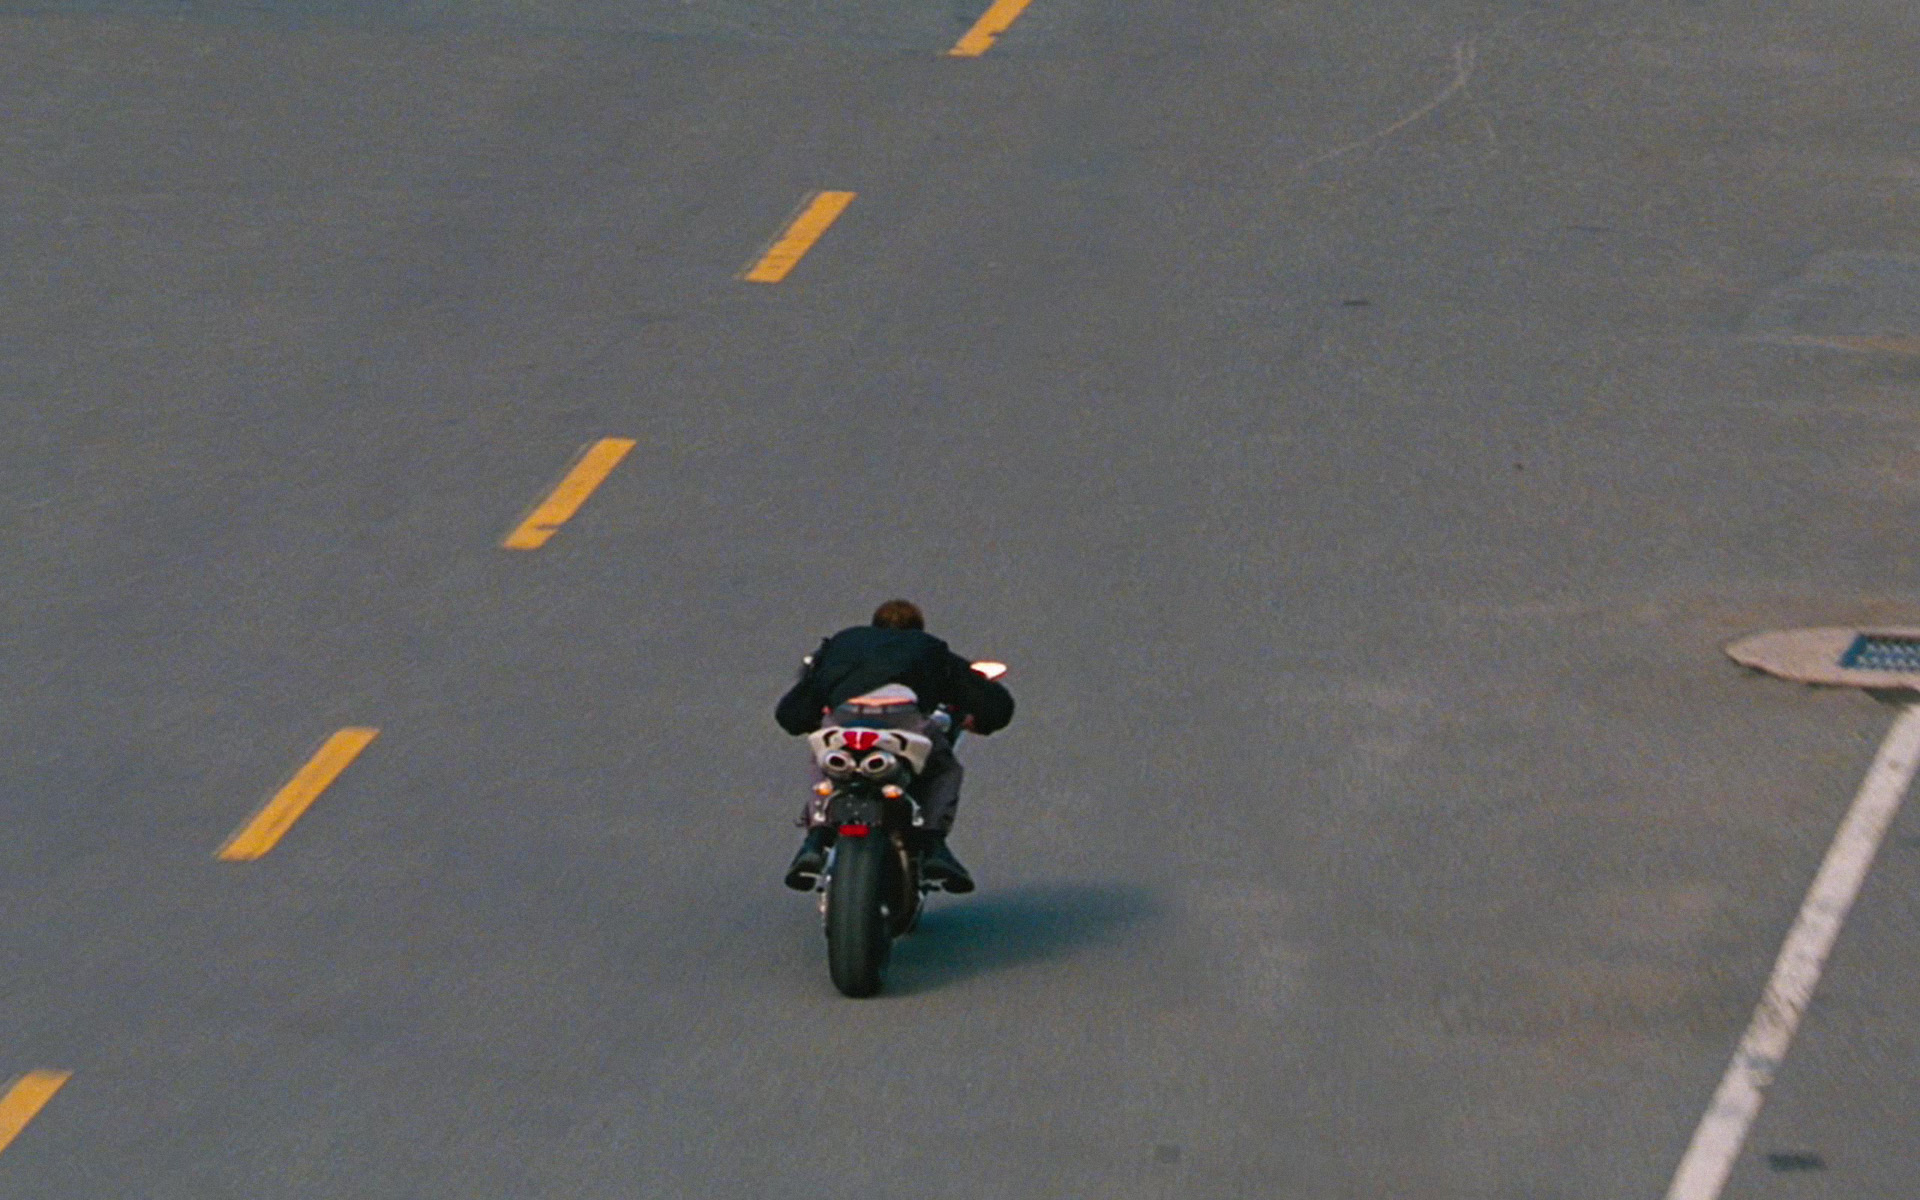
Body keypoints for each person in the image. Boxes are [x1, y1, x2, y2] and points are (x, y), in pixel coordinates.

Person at [776, 599, 1014, 894]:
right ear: (917, 630)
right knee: (944, 770)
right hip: (902, 720)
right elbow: (993, 703)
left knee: (822, 759)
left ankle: (815, 839)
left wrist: (808, 719)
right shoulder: (927, 648)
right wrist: (981, 720)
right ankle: (933, 845)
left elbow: (794, 708)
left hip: (845, 720)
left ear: (875, 627)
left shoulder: (842, 643)